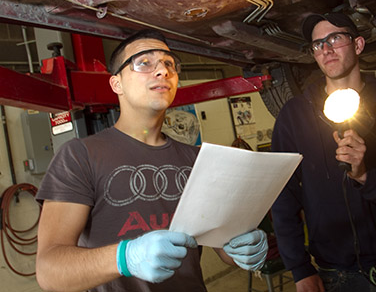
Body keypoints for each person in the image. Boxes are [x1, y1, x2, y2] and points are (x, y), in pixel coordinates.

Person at [35, 29, 268, 292]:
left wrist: (241, 248)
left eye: (169, 64)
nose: (162, 71)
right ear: (116, 84)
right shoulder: (79, 156)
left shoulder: (196, 159)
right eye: (144, 63)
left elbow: (222, 250)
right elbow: (49, 272)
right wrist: (125, 257)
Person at [271, 12, 376, 292]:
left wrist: (365, 175)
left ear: (358, 45)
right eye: (317, 45)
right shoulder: (295, 115)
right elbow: (282, 195)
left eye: (335, 38)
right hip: (335, 275)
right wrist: (299, 268)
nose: (326, 49)